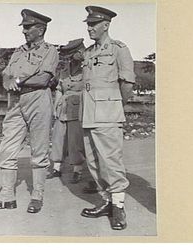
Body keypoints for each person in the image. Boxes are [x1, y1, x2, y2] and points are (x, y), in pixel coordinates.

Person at [0, 9, 59, 213]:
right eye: (24, 27)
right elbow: (6, 75)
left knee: (39, 150)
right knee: (7, 148)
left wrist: (17, 80)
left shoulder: (50, 51)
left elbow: (44, 79)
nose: (24, 31)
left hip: (38, 100)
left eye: (28, 27)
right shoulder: (18, 51)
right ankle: (6, 196)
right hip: (16, 102)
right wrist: (9, 80)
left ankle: (37, 196)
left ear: (41, 29)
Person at [80, 6, 135, 230]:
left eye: (93, 24)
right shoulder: (88, 52)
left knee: (111, 161)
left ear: (106, 25)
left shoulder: (119, 49)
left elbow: (127, 84)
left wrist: (116, 108)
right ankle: (107, 202)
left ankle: (119, 208)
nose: (89, 28)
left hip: (108, 114)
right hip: (88, 114)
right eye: (88, 24)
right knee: (93, 162)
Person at [47, 39, 86, 184]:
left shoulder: (86, 69)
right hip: (62, 108)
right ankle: (57, 168)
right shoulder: (64, 70)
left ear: (79, 53)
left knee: (75, 140)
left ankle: (78, 170)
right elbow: (59, 89)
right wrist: (55, 107)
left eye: (71, 55)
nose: (69, 59)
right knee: (58, 138)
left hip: (77, 108)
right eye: (67, 56)